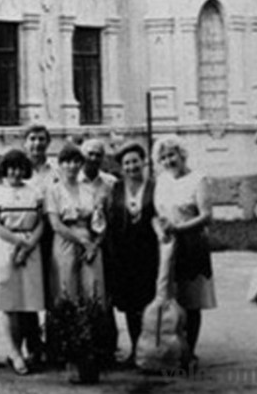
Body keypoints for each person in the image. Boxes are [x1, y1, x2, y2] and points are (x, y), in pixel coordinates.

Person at [153, 134, 217, 364]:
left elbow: (206, 216)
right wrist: (160, 231)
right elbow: (157, 213)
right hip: (167, 245)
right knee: (171, 298)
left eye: (171, 155)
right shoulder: (162, 180)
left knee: (191, 301)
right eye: (163, 158)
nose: (168, 161)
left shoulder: (198, 179)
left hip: (191, 244)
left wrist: (179, 229)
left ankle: (189, 351)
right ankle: (173, 347)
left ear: (182, 155)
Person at [0, 149, 45, 376]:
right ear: (4, 169)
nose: (16, 172)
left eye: (20, 168)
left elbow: (41, 223)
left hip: (31, 249)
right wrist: (18, 243)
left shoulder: (34, 192)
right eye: (11, 168)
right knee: (7, 303)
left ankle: (32, 351)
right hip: (5, 247)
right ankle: (14, 352)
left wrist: (27, 247)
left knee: (28, 302)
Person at [105, 141, 158, 367]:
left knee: (149, 303)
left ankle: (152, 350)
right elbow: (110, 217)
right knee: (129, 305)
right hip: (124, 254)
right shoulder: (116, 188)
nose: (131, 167)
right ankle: (136, 349)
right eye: (126, 163)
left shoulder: (154, 186)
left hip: (150, 253)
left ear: (143, 162)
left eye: (135, 161)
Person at [45, 143, 109, 304]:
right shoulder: (54, 190)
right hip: (65, 240)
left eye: (76, 161)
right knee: (66, 289)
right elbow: (56, 224)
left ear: (81, 164)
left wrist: (94, 244)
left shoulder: (90, 190)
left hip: (89, 242)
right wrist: (82, 241)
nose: (72, 166)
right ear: (60, 164)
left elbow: (100, 222)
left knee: (93, 289)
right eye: (67, 162)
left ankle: (92, 319)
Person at [79, 139, 119, 365]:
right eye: (90, 153)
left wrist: (99, 241)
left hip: (105, 243)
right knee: (81, 292)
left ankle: (106, 347)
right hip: (79, 242)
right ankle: (81, 345)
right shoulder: (73, 180)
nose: (93, 158)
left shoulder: (110, 182)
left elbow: (113, 216)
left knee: (104, 294)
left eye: (98, 154)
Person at [22, 125, 57, 365]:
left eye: (41, 139)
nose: (37, 144)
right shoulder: (18, 170)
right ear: (25, 142)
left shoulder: (56, 170)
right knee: (29, 292)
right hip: (27, 235)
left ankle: (55, 345)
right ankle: (33, 346)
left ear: (48, 143)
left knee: (54, 289)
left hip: (54, 234)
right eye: (32, 139)